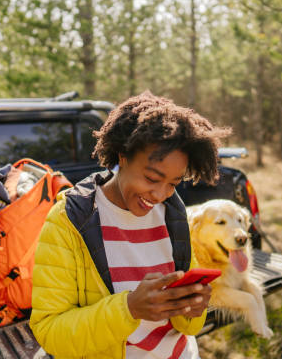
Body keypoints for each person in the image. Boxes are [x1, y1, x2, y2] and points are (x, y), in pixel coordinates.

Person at [30, 91, 231, 359]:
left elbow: (188, 327)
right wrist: (129, 309)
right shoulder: (70, 220)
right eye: (151, 178)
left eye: (173, 183)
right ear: (122, 156)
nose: (160, 194)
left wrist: (194, 307)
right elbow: (51, 333)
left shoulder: (173, 214)